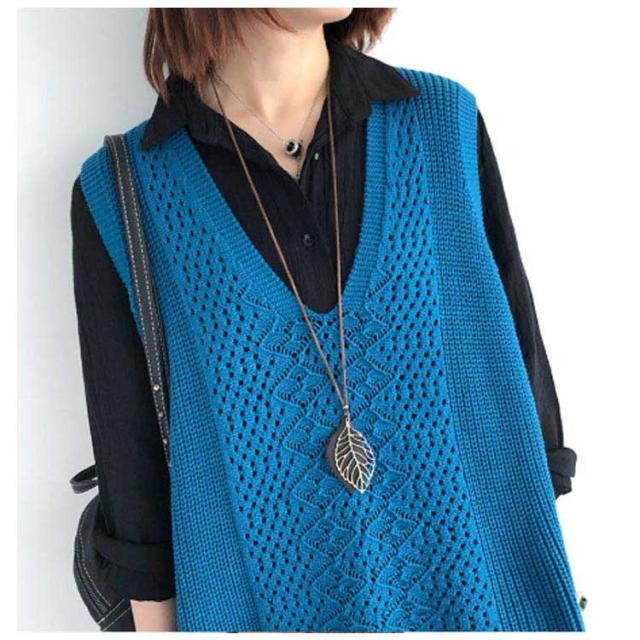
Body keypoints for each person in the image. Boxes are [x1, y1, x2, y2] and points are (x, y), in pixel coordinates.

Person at [71, 7, 582, 632]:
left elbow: (522, 391)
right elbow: (134, 478)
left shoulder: (442, 124)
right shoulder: (126, 191)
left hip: (477, 599)